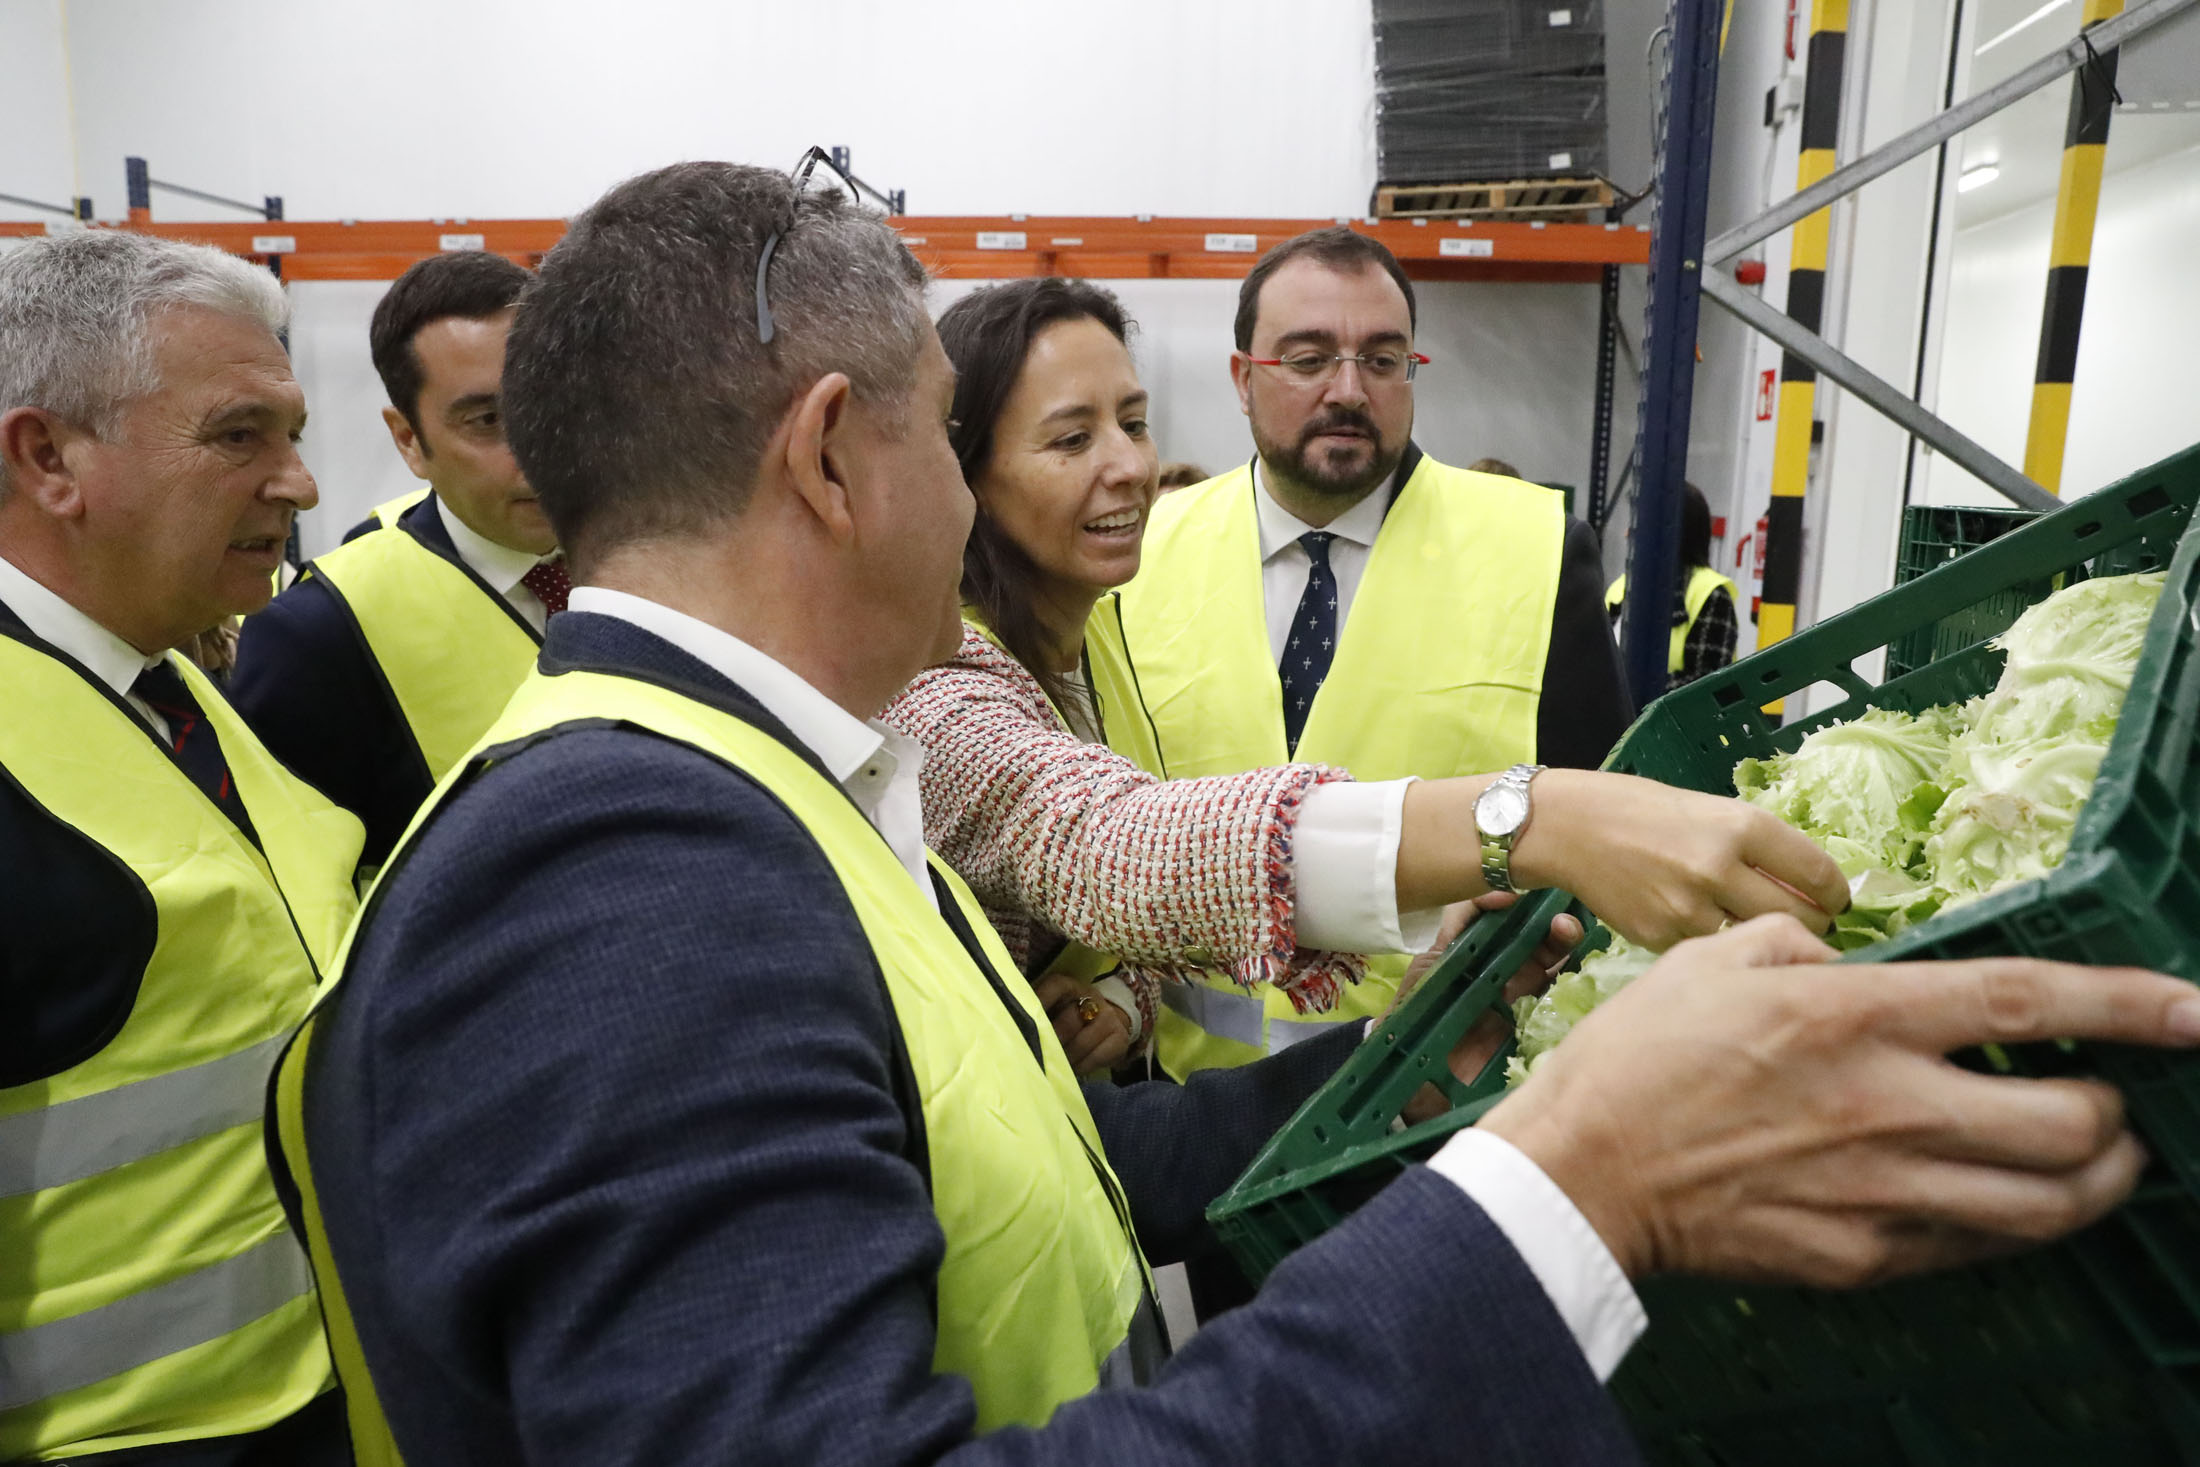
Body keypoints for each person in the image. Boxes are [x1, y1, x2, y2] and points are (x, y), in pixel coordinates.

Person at [271, 160, 2200, 1465]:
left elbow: (1056, 1160)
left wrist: (1461, 1074)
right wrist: (1576, 1178)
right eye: (952, 425)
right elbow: (1121, 847)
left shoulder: (778, 783)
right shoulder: (619, 879)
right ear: (836, 459)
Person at [884, 279, 1838, 1088]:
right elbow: (1113, 840)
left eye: (1134, 423)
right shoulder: (947, 685)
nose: (1130, 466)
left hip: (1359, 1094)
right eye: (1070, 440)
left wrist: (1124, 996)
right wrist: (1537, 822)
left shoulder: (1093, 630)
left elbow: (1125, 893)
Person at [1110, 225, 1634, 1078]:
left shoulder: (1534, 551)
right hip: (1191, 1099)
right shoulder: (1144, 553)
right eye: (1308, 359)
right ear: (1243, 378)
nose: (1349, 390)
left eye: (1383, 360)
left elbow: (1605, 828)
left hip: (1437, 1092)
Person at [0, 231, 360, 1463]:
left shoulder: (172, 683)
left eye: (292, 434)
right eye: (237, 436)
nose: (301, 486)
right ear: (48, 457)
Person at [230, 251, 561, 867]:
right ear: (409, 439)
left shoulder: (674, 556)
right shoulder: (319, 636)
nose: (540, 450)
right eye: (488, 420)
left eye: (553, 404)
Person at [1607, 481, 1740, 692]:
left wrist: (1635, 693)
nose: (1626, 533)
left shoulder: (1710, 593)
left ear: (1667, 530)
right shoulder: (1619, 589)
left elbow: (1708, 685)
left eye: (1637, 523)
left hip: (1675, 714)